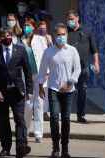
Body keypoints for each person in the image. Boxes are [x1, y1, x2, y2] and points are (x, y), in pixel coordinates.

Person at [0, 27, 33, 158]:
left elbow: (28, 71)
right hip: (1, 93)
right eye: (3, 36)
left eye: (9, 35)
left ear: (12, 36)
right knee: (3, 121)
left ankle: (21, 147)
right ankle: (5, 148)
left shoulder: (20, 49)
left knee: (20, 120)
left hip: (17, 91)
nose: (6, 38)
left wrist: (29, 90)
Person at [38, 23, 81, 158]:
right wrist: (40, 85)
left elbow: (77, 69)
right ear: (54, 35)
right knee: (55, 118)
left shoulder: (72, 50)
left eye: (63, 34)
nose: (61, 37)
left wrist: (70, 82)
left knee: (66, 118)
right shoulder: (48, 51)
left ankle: (65, 149)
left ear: (67, 35)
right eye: (59, 35)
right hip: (54, 89)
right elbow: (43, 70)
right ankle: (55, 148)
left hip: (68, 90)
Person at [66, 10, 100, 123]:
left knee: (82, 90)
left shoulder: (87, 31)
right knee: (67, 90)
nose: (70, 21)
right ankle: (65, 114)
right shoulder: (66, 32)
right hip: (68, 68)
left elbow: (94, 49)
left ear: (77, 18)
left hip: (83, 66)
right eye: (68, 19)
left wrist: (96, 63)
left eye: (71, 19)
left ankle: (81, 115)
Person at [21, 19, 52, 143]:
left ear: (33, 27)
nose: (26, 27)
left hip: (40, 76)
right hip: (26, 77)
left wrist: (47, 71)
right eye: (25, 25)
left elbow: (47, 56)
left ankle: (38, 134)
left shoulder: (41, 39)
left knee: (39, 104)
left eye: (28, 25)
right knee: (27, 105)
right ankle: (25, 131)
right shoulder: (20, 41)